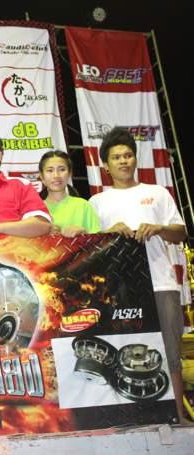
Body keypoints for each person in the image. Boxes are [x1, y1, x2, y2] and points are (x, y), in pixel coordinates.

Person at [88, 127, 187, 421]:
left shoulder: (157, 193)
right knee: (122, 353)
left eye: (128, 155)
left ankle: (179, 416)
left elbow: (180, 232)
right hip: (117, 291)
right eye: (116, 157)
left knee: (170, 353)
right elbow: (90, 249)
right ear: (106, 165)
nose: (123, 161)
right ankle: (131, 418)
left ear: (135, 158)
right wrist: (107, 233)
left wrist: (159, 228)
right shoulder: (97, 202)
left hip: (160, 284)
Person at [38, 150, 100, 237]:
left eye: (62, 169)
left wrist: (84, 234)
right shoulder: (35, 210)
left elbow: (98, 241)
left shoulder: (83, 206)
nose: (56, 175)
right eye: (50, 170)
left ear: (69, 174)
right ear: (41, 176)